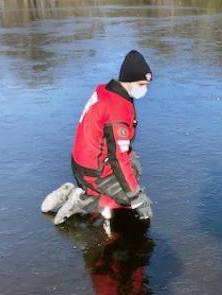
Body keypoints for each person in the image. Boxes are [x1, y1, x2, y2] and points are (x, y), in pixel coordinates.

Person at [41, 50, 153, 227]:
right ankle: (82, 201)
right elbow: (118, 157)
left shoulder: (107, 91)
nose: (145, 89)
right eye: (142, 84)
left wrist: (130, 155)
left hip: (83, 161)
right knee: (131, 199)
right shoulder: (117, 109)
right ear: (130, 80)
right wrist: (136, 197)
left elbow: (113, 143)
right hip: (93, 170)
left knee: (133, 173)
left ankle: (78, 191)